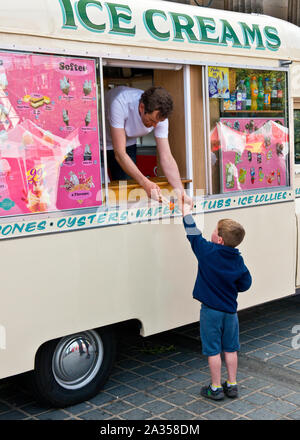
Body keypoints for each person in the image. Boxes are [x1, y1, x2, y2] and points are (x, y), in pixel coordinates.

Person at [182, 201, 252, 400]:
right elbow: (246, 283)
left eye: (214, 231)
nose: (211, 233)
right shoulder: (237, 260)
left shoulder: (207, 252)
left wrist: (186, 212)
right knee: (231, 349)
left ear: (219, 240)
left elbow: (193, 233)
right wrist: (231, 287)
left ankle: (215, 388)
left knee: (213, 351)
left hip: (210, 312)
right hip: (230, 312)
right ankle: (232, 384)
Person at [104, 85, 192, 207]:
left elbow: (166, 157)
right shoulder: (120, 102)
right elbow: (119, 154)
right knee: (101, 191)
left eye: (158, 122)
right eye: (152, 121)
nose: (155, 126)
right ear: (141, 107)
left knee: (128, 192)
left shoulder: (159, 116)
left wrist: (181, 193)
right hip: (97, 142)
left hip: (128, 142)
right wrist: (145, 182)